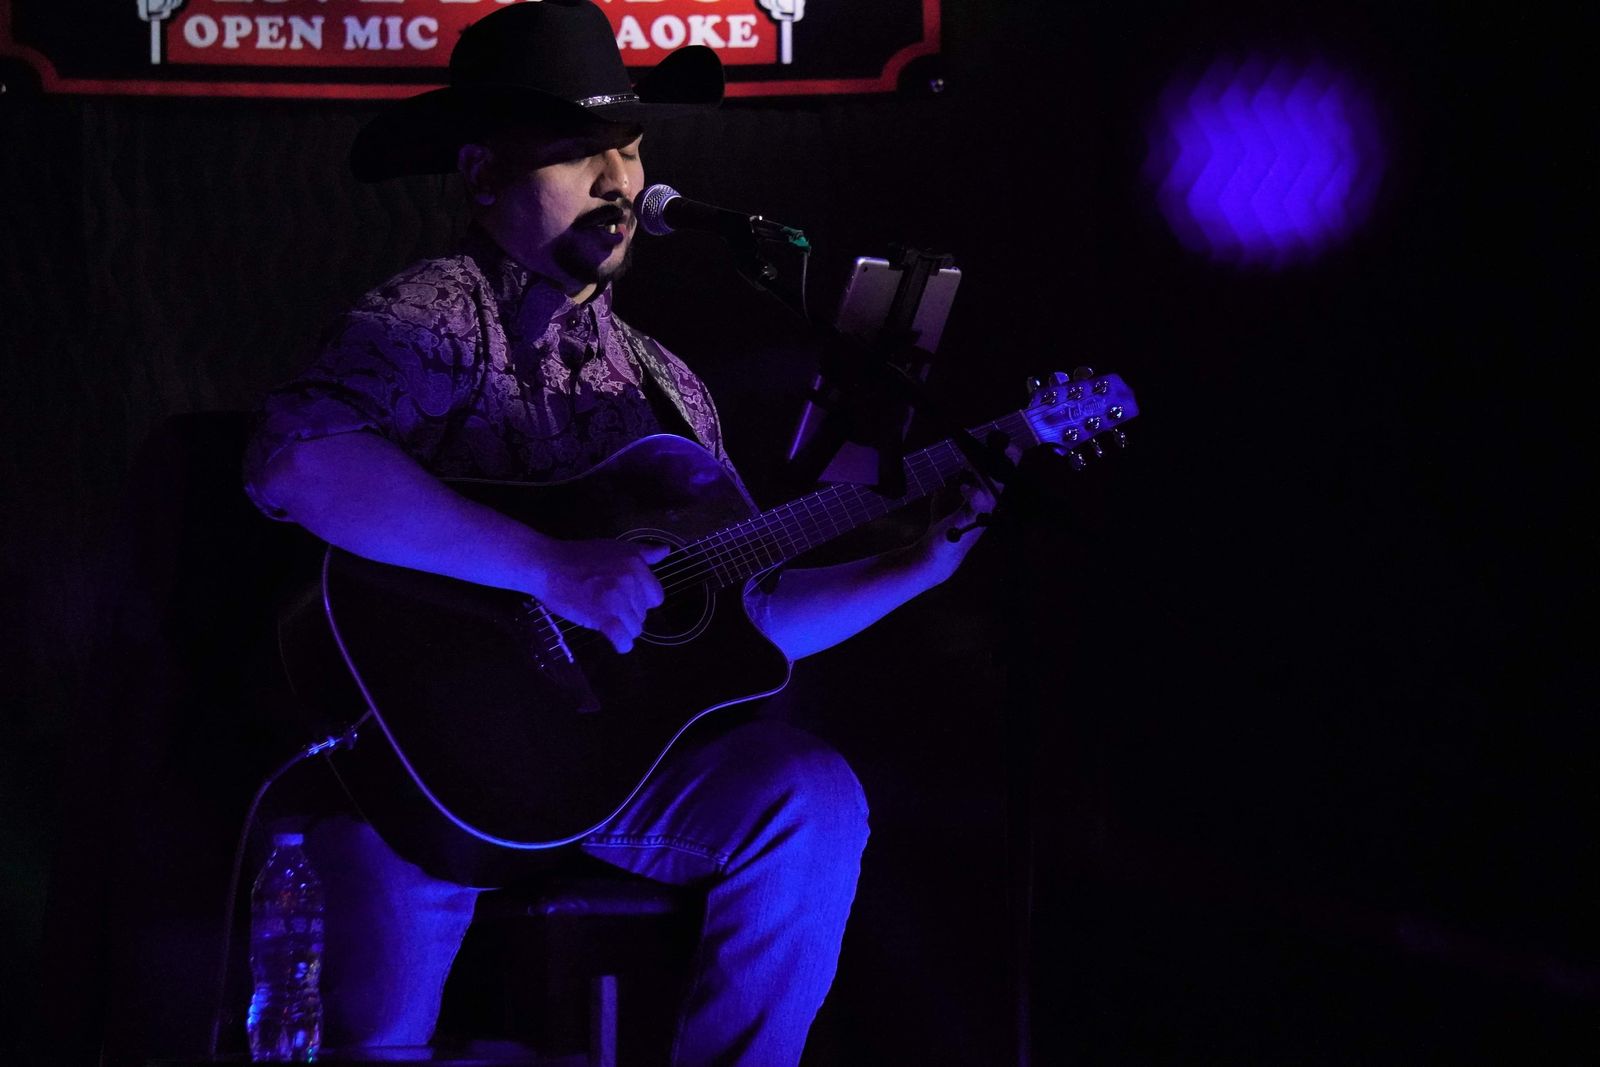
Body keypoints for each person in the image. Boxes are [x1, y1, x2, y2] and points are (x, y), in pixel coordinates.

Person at [243, 2, 993, 1063]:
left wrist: (915, 566)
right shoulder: (430, 317)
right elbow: (296, 459)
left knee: (810, 796)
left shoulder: (664, 382)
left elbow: (746, 623)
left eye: (630, 149)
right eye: (577, 152)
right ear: (483, 174)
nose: (618, 181)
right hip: (421, 766)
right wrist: (550, 566)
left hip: (611, 765)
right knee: (379, 1040)